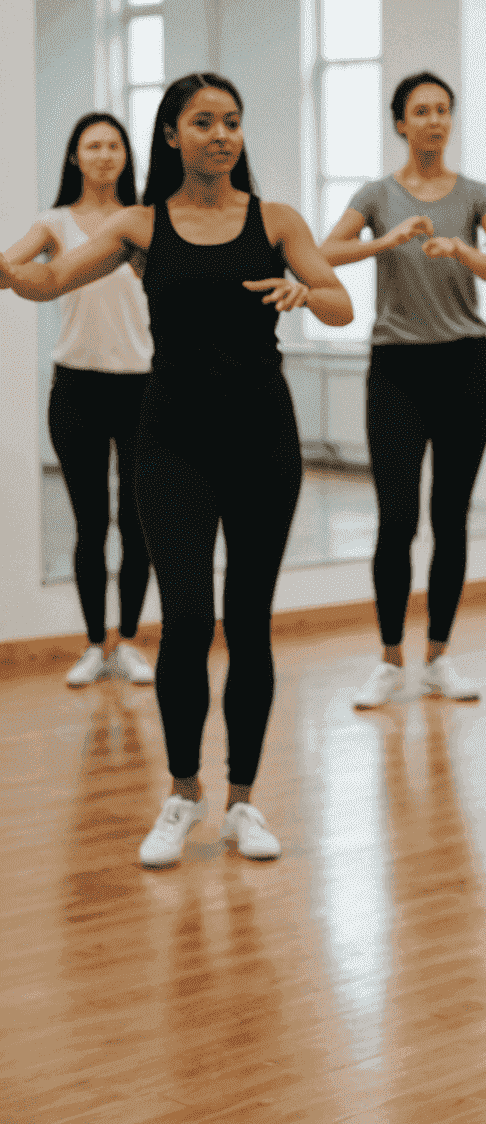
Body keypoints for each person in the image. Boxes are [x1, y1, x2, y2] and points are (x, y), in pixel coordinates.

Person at [0, 73, 352, 868]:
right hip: (172, 442)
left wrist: (306, 289)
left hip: (263, 439)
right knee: (187, 620)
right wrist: (11, 273)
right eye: (203, 122)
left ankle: (243, 805)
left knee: (250, 623)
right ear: (171, 135)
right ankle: (185, 792)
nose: (221, 135)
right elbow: (50, 279)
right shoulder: (141, 224)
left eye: (231, 121)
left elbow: (340, 305)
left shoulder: (276, 219)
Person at [321, 72, 486, 711]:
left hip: (465, 368)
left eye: (442, 110)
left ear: (450, 120)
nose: (433, 120)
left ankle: (437, 657)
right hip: (397, 372)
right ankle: (387, 659)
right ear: (400, 124)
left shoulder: (478, 194)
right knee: (397, 519)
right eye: (420, 111)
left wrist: (461, 249)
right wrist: (389, 239)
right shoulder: (378, 194)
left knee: (450, 518)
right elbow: (324, 253)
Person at [5, 113, 155, 686]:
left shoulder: (143, 220)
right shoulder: (54, 223)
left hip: (142, 385)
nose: (103, 155)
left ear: (125, 155)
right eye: (92, 146)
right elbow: (11, 269)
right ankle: (95, 644)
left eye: (113, 145)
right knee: (90, 524)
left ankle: (128, 643)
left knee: (138, 523)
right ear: (75, 157)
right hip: (77, 389)